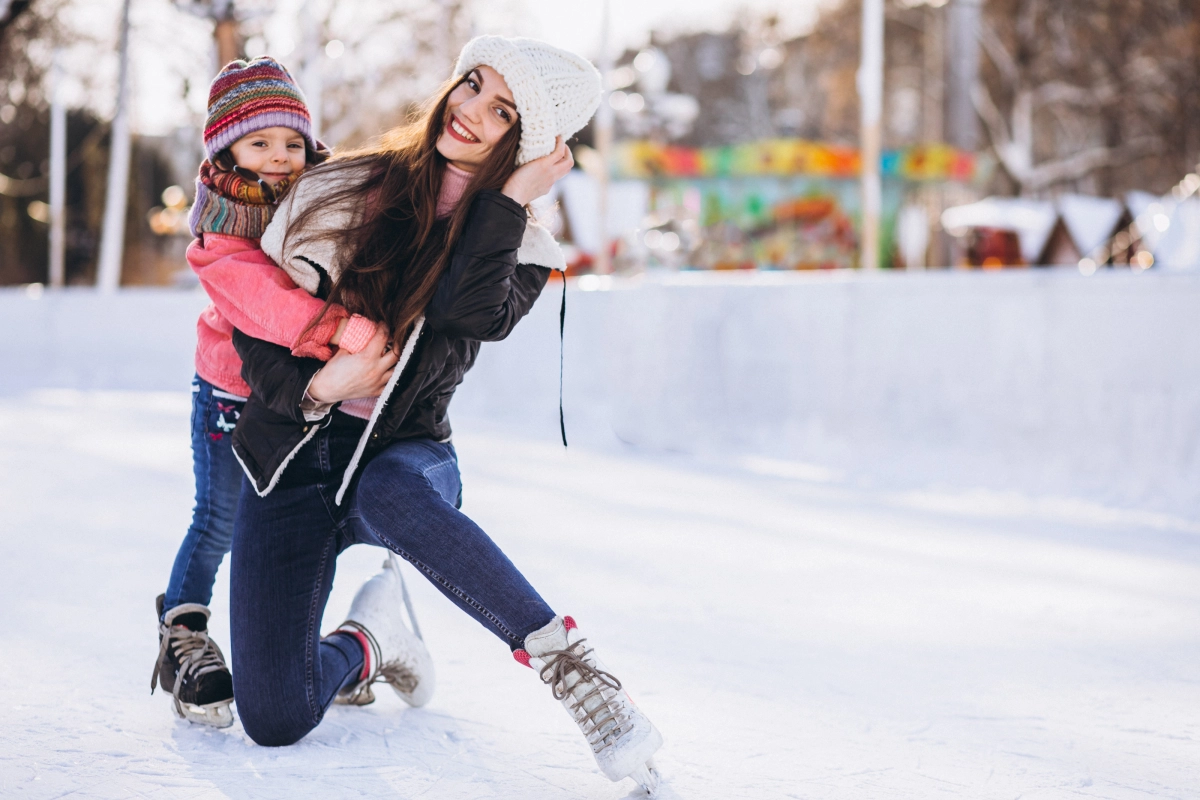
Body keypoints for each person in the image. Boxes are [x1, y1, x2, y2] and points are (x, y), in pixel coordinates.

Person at [226, 36, 664, 793]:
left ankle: (576, 674)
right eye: (472, 86)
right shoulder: (341, 185)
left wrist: (505, 199)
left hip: (404, 455)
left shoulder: (520, 244)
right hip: (293, 455)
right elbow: (249, 320)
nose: (468, 110)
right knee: (273, 717)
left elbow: (469, 312)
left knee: (385, 491)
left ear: (525, 142)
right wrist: (320, 389)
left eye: (502, 111)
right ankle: (373, 641)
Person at [151, 57, 379, 729]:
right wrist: (341, 328)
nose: (280, 157)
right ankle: (183, 634)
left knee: (292, 528)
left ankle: (291, 649)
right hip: (231, 396)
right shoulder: (221, 228)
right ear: (228, 149)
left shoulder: (326, 199)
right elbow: (264, 305)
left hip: (304, 401)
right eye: (260, 143)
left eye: (291, 142)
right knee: (218, 520)